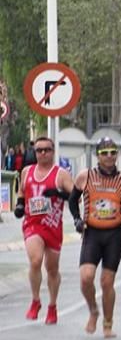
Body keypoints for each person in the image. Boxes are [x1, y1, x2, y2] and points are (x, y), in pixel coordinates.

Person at [67, 137, 121, 338]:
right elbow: (72, 200)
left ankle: (108, 324)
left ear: (117, 155)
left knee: (106, 282)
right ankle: (93, 310)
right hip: (92, 232)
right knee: (86, 278)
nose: (109, 156)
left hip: (114, 235)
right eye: (104, 153)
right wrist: (77, 219)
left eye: (112, 152)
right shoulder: (85, 176)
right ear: (97, 156)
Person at [13, 136, 74, 324]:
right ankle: (35, 300)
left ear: (53, 152)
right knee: (35, 260)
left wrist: (58, 193)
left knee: (52, 269)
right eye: (39, 150)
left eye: (46, 150)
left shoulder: (60, 174)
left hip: (53, 225)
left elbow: (75, 196)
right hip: (32, 223)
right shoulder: (26, 171)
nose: (42, 154)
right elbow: (22, 191)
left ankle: (52, 306)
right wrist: (20, 205)